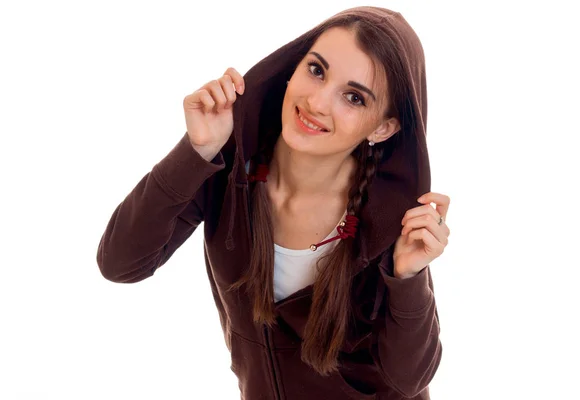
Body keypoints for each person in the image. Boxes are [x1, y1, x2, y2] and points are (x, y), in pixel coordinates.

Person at [96, 6, 451, 400]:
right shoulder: (228, 168)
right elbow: (120, 263)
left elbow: (409, 379)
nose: (317, 102)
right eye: (316, 70)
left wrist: (407, 279)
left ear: (383, 127)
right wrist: (196, 152)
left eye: (353, 97)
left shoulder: (388, 220)